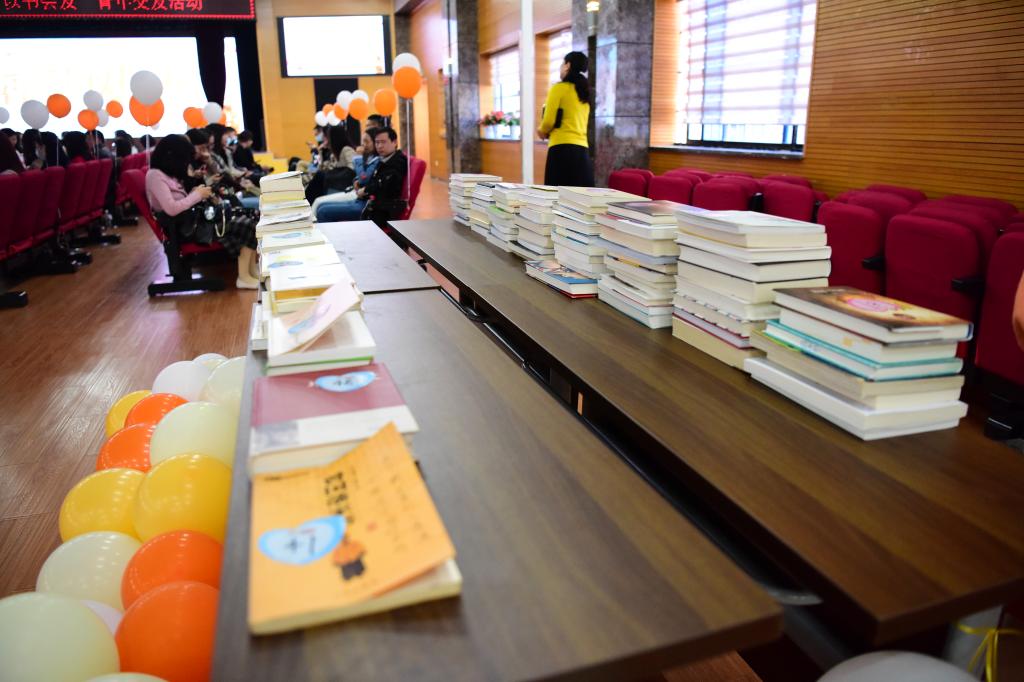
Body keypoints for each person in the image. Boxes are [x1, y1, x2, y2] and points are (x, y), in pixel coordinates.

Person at [146, 134, 260, 290]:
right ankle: (244, 277)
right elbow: (171, 209)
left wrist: (195, 192)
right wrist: (197, 195)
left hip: (191, 222)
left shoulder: (167, 175)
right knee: (244, 224)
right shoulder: (155, 176)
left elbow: (180, 201)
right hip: (183, 230)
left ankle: (251, 271)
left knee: (250, 219)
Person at [320, 127, 407, 223]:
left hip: (376, 208)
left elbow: (384, 182)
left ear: (394, 142)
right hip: (365, 201)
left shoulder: (397, 160)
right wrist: (358, 182)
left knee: (323, 211)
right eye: (377, 142)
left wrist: (365, 190)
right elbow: (370, 178)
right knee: (321, 206)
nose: (379, 146)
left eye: (383, 142)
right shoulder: (384, 158)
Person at [538, 51, 594, 187]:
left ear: (567, 65)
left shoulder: (558, 89)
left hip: (561, 150)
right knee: (579, 196)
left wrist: (541, 131)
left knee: (556, 194)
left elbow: (548, 121)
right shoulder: (585, 92)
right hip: (582, 152)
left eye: (562, 63)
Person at [313, 128, 380, 221]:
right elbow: (359, 176)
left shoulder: (374, 159)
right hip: (356, 193)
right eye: (363, 142)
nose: (363, 145)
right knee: (320, 204)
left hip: (361, 198)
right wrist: (356, 180)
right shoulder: (368, 156)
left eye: (366, 141)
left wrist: (358, 158)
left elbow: (362, 176)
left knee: (321, 207)